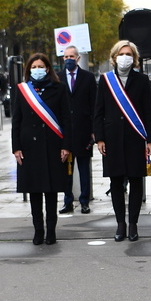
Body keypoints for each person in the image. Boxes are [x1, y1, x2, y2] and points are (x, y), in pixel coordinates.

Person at [93, 40, 151, 242]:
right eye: (121, 54)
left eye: (128, 54)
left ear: (134, 58)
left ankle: (134, 224)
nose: (125, 57)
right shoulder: (105, 80)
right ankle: (121, 223)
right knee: (116, 182)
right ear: (114, 57)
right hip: (112, 139)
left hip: (135, 138)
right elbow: (98, 112)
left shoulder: (143, 81)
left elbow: (148, 112)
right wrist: (100, 138)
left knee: (137, 181)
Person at [11, 53, 72, 244]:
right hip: (29, 147)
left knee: (51, 191)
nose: (37, 70)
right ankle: (38, 230)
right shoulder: (22, 90)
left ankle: (51, 230)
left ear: (48, 68)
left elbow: (67, 120)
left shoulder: (59, 89)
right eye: (34, 67)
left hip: (53, 145)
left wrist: (66, 145)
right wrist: (16, 148)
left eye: (41, 66)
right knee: (34, 191)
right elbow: (16, 121)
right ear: (29, 69)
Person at [59, 44, 97, 214]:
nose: (68, 60)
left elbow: (95, 105)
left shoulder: (88, 78)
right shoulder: (58, 78)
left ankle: (84, 201)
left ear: (78, 58)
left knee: (83, 169)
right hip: (64, 133)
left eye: (71, 57)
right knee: (66, 170)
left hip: (84, 132)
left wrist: (95, 130)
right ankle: (67, 201)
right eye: (66, 57)